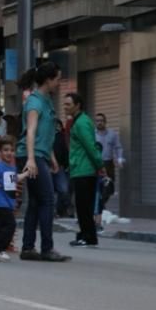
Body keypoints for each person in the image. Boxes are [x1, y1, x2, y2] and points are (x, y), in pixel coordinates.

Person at [17, 61, 70, 262]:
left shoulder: (46, 101)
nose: (59, 83)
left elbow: (46, 133)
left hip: (40, 155)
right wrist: (31, 159)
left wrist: (52, 157)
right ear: (48, 80)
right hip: (31, 155)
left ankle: (28, 248)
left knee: (36, 202)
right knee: (48, 199)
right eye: (57, 79)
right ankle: (47, 248)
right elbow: (30, 131)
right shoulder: (34, 102)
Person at [64, 92, 104, 247]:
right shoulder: (78, 121)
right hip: (80, 169)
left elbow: (90, 146)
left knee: (83, 206)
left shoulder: (81, 123)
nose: (65, 107)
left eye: (68, 104)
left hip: (84, 170)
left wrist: (100, 165)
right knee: (82, 205)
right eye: (65, 104)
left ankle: (88, 237)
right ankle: (87, 235)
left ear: (78, 105)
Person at [93, 112, 123, 220]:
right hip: (96, 164)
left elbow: (118, 147)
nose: (99, 123)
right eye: (97, 121)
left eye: (101, 121)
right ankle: (99, 208)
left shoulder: (112, 134)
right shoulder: (92, 134)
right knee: (99, 187)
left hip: (108, 163)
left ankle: (100, 205)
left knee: (110, 187)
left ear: (105, 122)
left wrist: (119, 159)